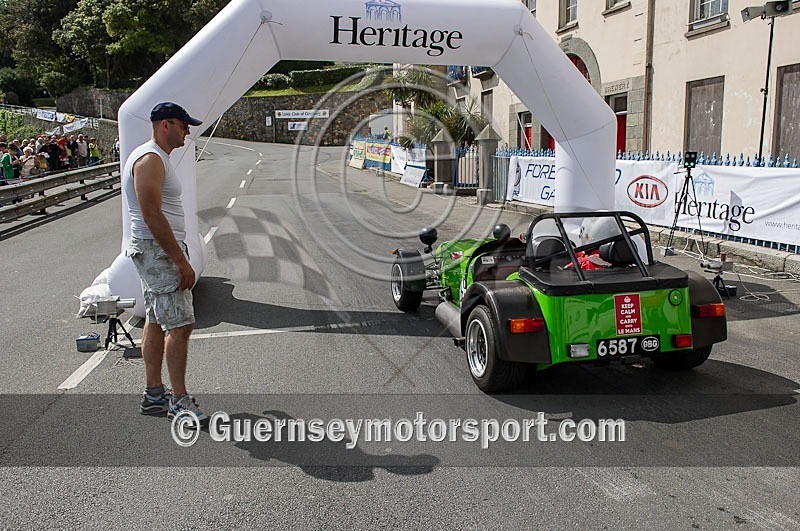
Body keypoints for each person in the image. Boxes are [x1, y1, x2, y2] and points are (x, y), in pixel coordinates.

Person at [123, 101, 207, 424]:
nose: (187, 131)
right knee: (180, 324)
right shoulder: (150, 159)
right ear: (164, 124)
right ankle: (179, 400)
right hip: (158, 250)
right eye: (183, 125)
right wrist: (180, 260)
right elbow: (150, 213)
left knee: (157, 320)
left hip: (154, 248)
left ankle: (154, 395)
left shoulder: (157, 158)